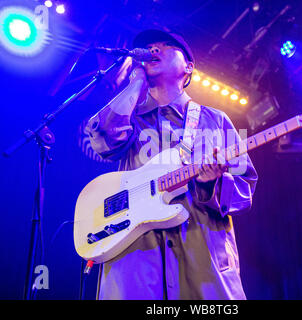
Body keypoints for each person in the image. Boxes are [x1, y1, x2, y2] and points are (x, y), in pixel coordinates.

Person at [85, 29, 258, 300]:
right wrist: (135, 85)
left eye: (165, 46)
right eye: (149, 47)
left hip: (203, 263)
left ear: (189, 67)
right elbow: (102, 140)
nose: (154, 50)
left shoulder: (216, 120)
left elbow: (245, 190)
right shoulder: (130, 117)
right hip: (135, 262)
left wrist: (212, 183)